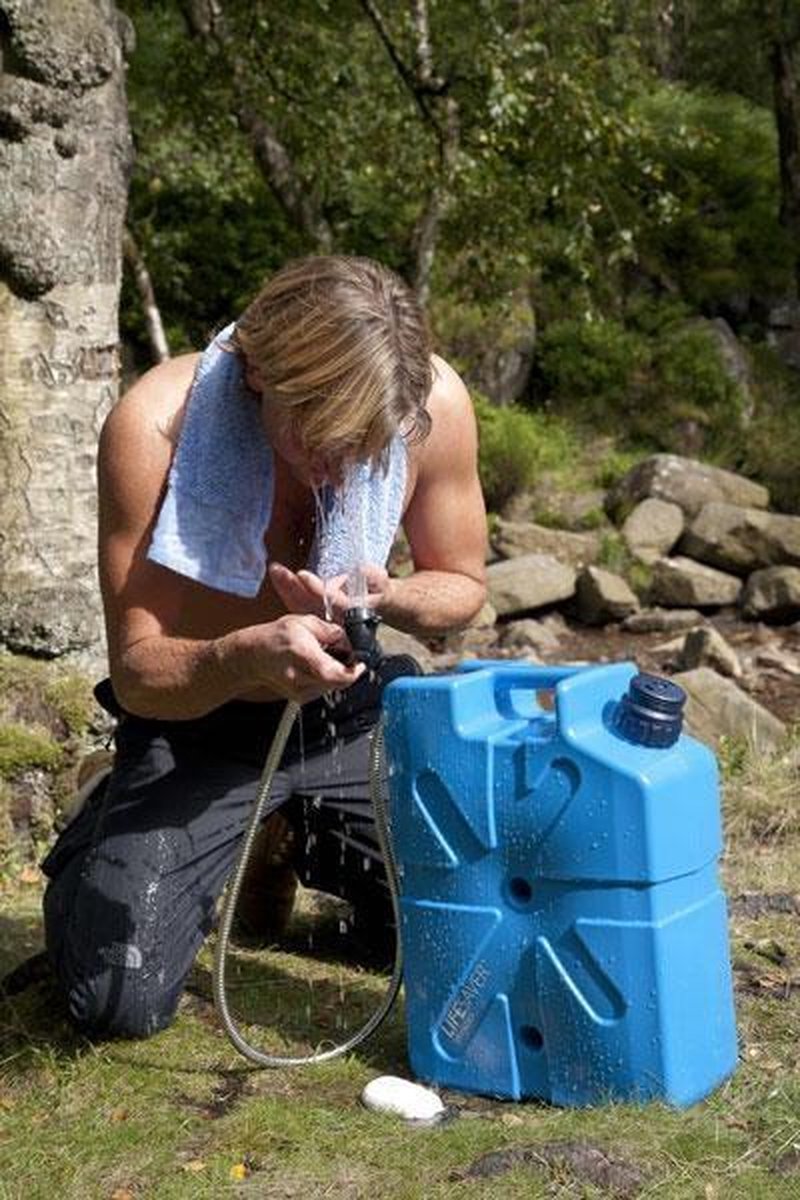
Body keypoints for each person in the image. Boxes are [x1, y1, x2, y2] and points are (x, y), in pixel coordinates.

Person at [41, 255, 487, 1039]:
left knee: (464, 930)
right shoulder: (153, 427)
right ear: (254, 375)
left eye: (365, 445)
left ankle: (289, 837)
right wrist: (243, 655)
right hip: (196, 727)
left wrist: (392, 596)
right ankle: (107, 816)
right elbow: (140, 675)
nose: (340, 466)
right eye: (317, 438)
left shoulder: (431, 404)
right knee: (113, 1002)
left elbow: (460, 588)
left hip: (348, 709)